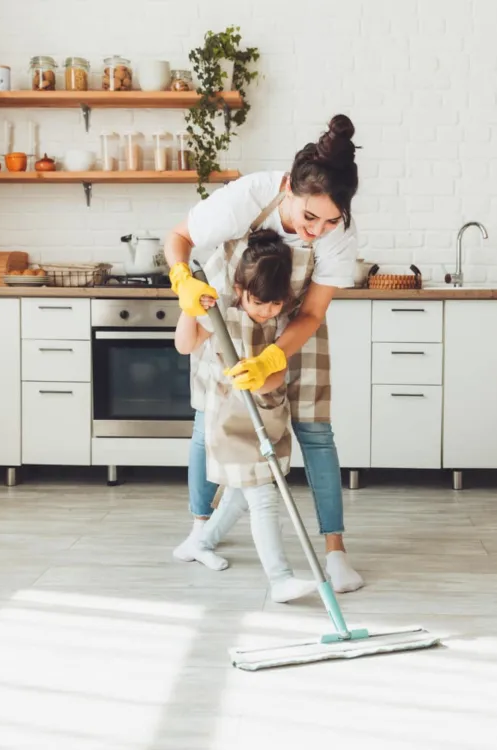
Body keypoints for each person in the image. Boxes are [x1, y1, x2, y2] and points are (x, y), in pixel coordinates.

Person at [167, 114, 364, 593]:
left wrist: (275, 358)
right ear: (289, 190)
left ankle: (335, 554)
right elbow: (180, 238)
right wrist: (183, 284)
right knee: (207, 424)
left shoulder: (339, 235)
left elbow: (312, 312)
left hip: (296, 326)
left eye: (331, 219)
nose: (317, 230)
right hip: (228, 318)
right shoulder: (252, 195)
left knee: (316, 434)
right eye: (308, 217)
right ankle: (201, 530)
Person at [173, 229, 318, 603]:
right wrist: (190, 308)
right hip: (230, 420)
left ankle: (200, 543)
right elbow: (184, 345)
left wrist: (265, 371)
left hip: (268, 414)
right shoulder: (219, 313)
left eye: (274, 304)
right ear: (239, 289)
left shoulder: (281, 319)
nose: (265, 310)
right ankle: (280, 578)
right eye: (257, 302)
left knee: (240, 492)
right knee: (262, 495)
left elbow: (279, 372)